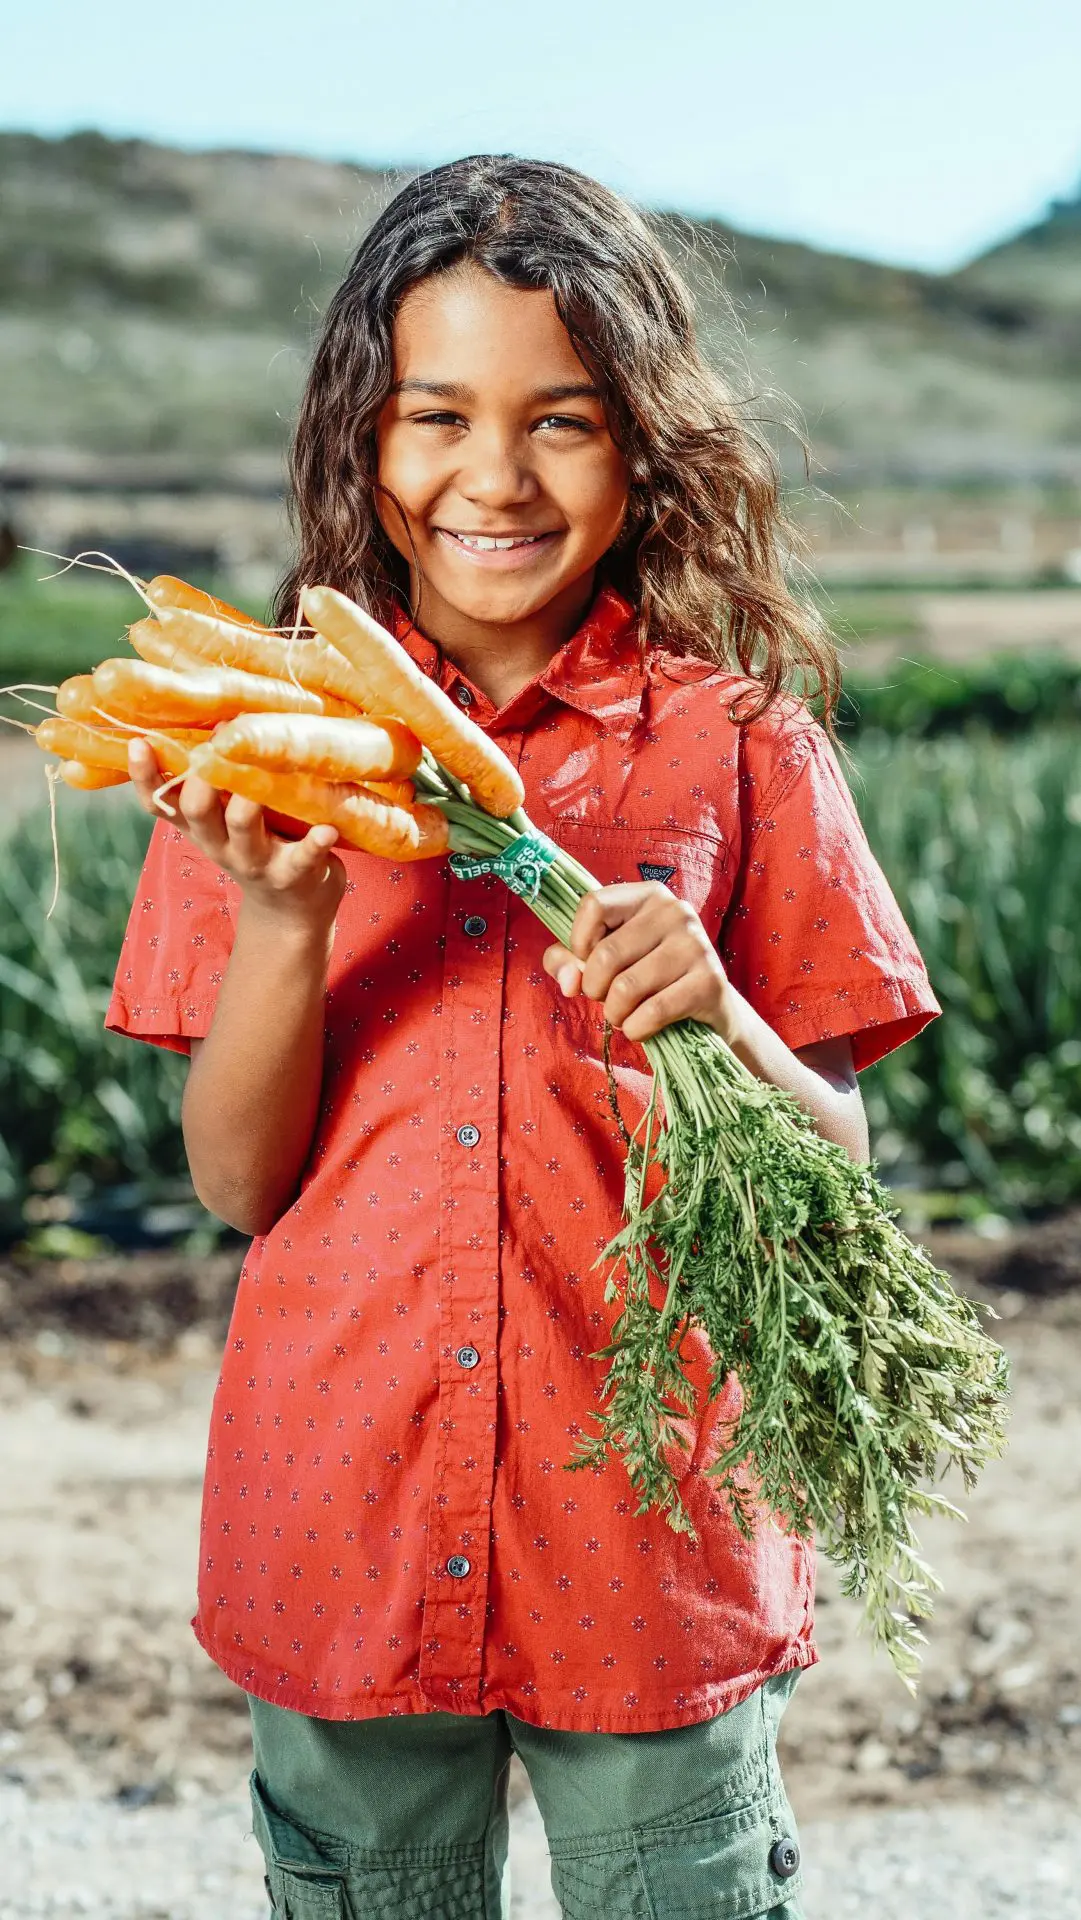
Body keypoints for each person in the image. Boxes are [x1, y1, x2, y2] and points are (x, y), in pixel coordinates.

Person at [109, 156, 940, 1920]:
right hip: (343, 1508)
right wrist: (284, 925)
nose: (493, 477)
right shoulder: (256, 745)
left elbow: (837, 1166)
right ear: (365, 441)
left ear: (645, 448)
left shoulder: (741, 746)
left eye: (561, 420)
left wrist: (716, 1010)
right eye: (438, 416)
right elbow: (240, 1185)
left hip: (649, 1527)